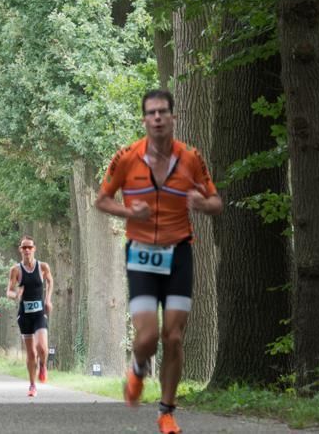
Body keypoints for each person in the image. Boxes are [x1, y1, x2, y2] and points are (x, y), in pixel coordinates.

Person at [95, 89, 223, 434]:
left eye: (163, 112)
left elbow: (217, 202)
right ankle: (137, 367)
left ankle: (167, 412)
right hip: (140, 253)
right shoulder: (125, 158)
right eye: (151, 113)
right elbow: (102, 200)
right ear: (144, 119)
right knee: (148, 336)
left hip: (179, 251)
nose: (157, 118)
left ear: (173, 117)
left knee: (175, 337)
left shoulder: (191, 159)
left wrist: (201, 202)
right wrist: (127, 211)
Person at [6, 236, 54, 398]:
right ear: (20, 249)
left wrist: (47, 299)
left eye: (29, 247)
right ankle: (32, 385)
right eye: (24, 247)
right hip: (25, 315)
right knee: (31, 352)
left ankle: (43, 365)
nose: (27, 250)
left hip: (40, 313)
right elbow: (9, 291)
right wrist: (16, 295)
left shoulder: (43, 267)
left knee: (42, 347)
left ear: (34, 249)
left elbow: (50, 281)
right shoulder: (16, 270)